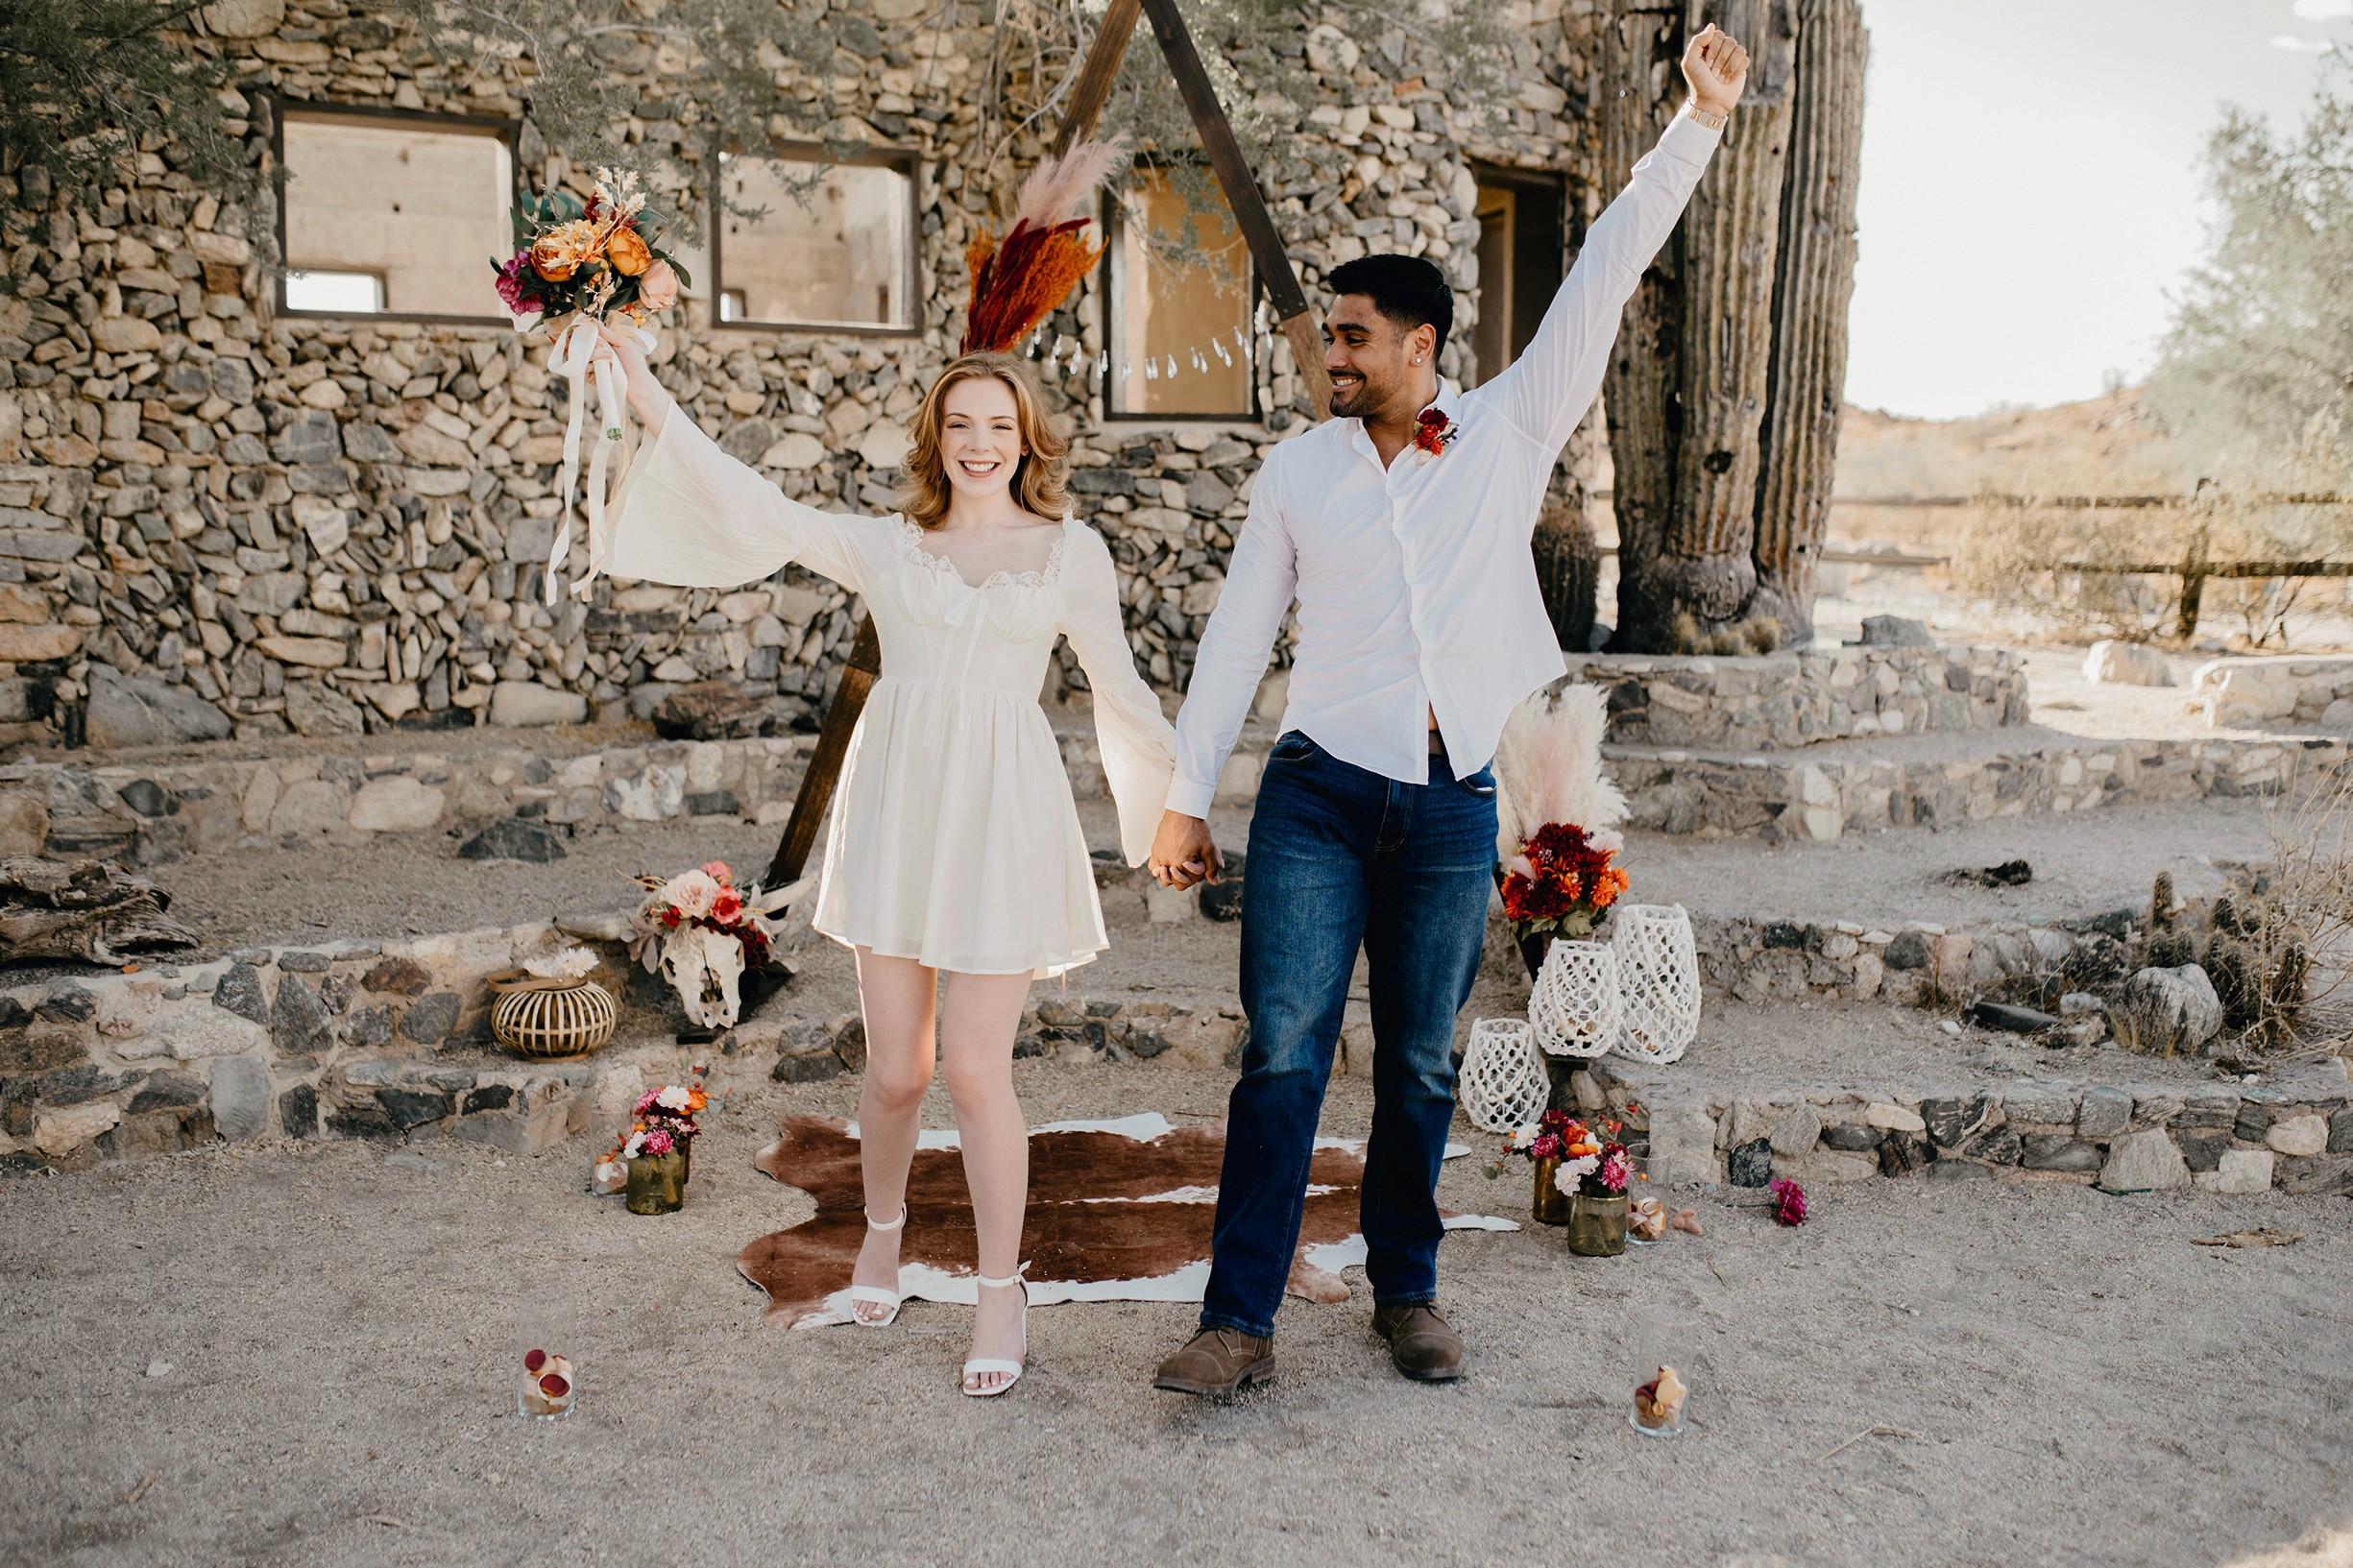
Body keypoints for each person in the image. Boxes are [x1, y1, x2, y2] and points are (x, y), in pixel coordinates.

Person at [1145, 23, 1752, 1394]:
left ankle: (1404, 1292)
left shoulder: (1511, 425)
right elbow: (1241, 632)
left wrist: (1697, 123)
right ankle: (1236, 1322)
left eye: (1351, 338)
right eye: (1327, 338)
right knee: (1283, 1058)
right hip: (1314, 794)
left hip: (1448, 800)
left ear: (1421, 344)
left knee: (1418, 1064)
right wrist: (1187, 791)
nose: (1329, 356)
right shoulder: (1296, 473)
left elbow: (1605, 265)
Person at [593, 333, 1176, 1397]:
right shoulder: (886, 545)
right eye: (960, 424)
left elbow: (1119, 689)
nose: (979, 443)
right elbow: (760, 507)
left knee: (972, 1067)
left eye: (999, 424)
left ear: (1027, 438)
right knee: (899, 1067)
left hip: (1001, 817)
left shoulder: (1067, 551)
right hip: (903, 811)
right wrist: (646, 398)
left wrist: (1170, 812)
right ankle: (880, 1237)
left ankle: (1002, 1288)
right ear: (935, 439)